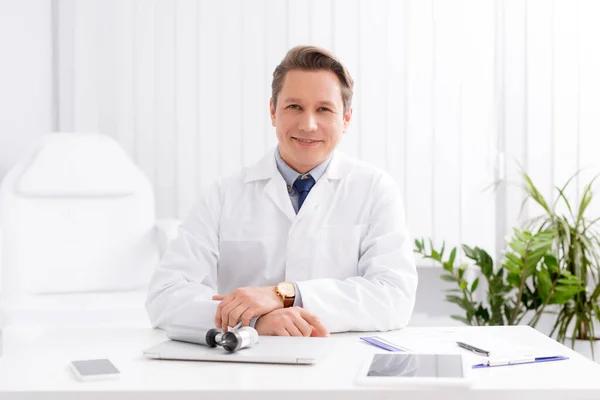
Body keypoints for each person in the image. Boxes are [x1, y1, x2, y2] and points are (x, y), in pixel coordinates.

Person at [146, 45, 418, 336]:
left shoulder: (375, 189)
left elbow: (394, 297)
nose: (308, 124)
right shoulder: (225, 195)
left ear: (346, 119)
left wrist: (284, 295)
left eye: (324, 109)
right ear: (273, 111)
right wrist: (253, 321)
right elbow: (165, 296)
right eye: (294, 107)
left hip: (338, 361)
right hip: (245, 364)